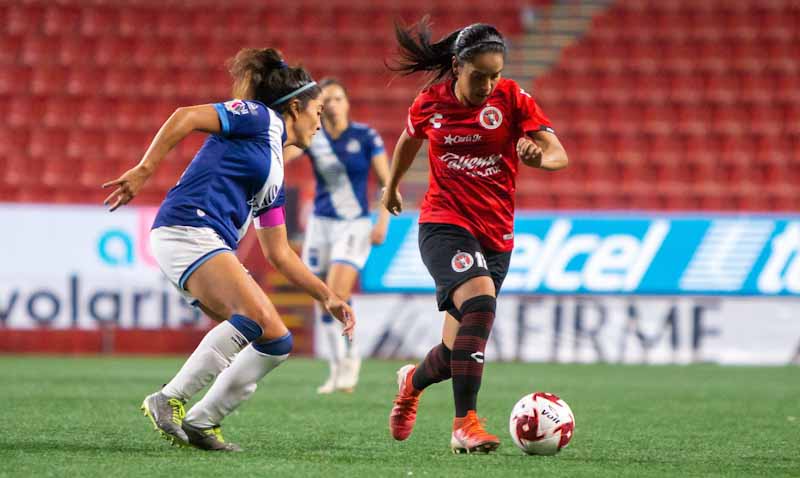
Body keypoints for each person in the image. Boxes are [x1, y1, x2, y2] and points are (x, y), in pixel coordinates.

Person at [102, 48, 355, 452]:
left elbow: (278, 253)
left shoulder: (273, 171)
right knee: (253, 317)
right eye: (318, 111)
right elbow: (185, 116)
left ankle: (203, 421)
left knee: (276, 340)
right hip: (188, 228)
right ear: (295, 107)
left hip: (206, 240)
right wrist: (144, 170)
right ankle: (168, 399)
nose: (320, 123)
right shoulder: (259, 117)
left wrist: (327, 296)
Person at [383, 20, 568, 454]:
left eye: (495, 75)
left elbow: (559, 154)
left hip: (495, 236)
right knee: (481, 304)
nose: (488, 86)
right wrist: (391, 187)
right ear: (457, 66)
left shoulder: (513, 98)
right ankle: (464, 424)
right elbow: (408, 141)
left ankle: (411, 382)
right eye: (479, 75)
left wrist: (538, 159)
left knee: (454, 355)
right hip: (443, 224)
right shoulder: (431, 103)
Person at [287, 78, 391, 394]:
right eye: (327, 100)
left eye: (338, 98)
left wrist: (383, 221)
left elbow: (387, 181)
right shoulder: (314, 136)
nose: (332, 105)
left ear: (347, 103)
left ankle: (351, 358)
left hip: (354, 224)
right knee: (321, 298)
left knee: (337, 291)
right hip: (320, 225)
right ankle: (335, 367)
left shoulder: (365, 136)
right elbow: (283, 153)